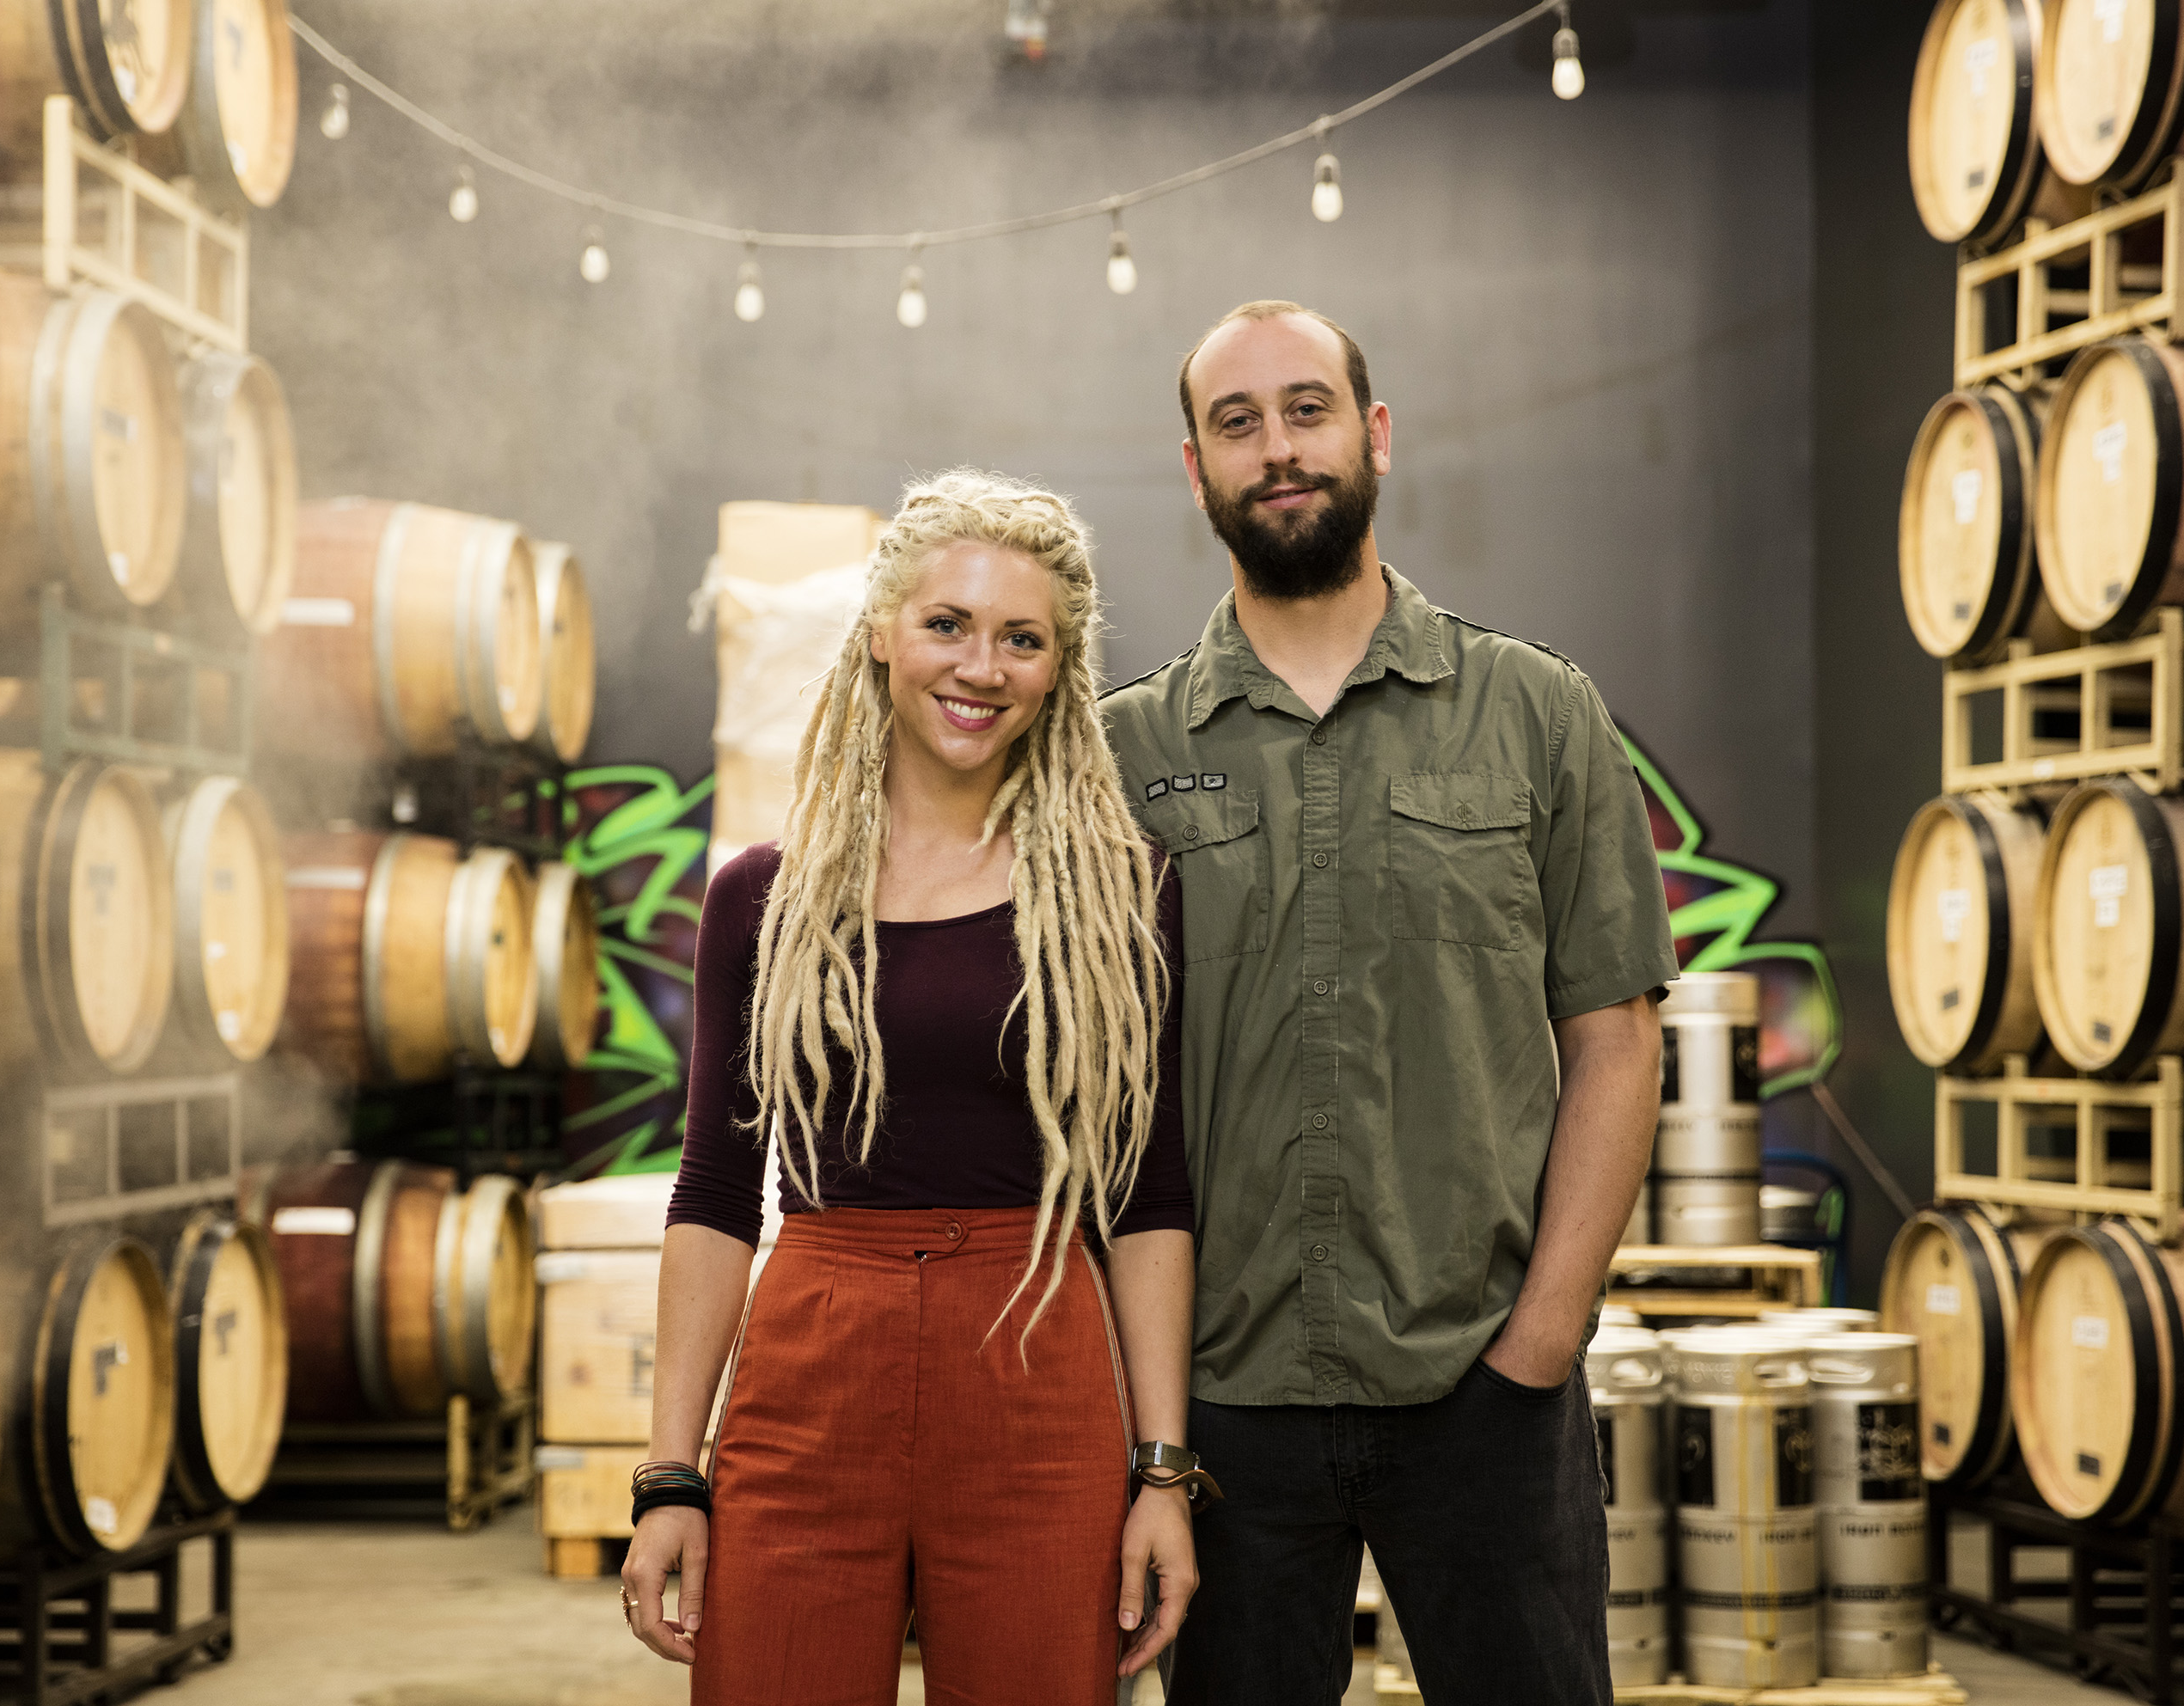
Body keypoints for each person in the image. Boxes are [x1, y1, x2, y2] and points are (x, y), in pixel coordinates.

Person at [1102, 301, 1674, 1705]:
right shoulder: (1122, 751)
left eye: (1307, 409)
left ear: (1375, 435)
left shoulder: (1539, 713)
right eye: (1235, 423)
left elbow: (1616, 1039)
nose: (1276, 448)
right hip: (1224, 1402)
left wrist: (1540, 1342)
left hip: (1483, 1383)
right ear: (1196, 471)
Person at [621, 470, 1207, 1703]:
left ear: (1060, 670)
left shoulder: (1120, 892)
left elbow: (1148, 1191)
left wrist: (1160, 1472)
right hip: (811, 1363)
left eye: (1021, 638)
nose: (980, 666)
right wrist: (673, 1472)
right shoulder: (763, 900)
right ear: (881, 632)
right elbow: (720, 1192)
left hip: (1039, 1357)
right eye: (948, 623)